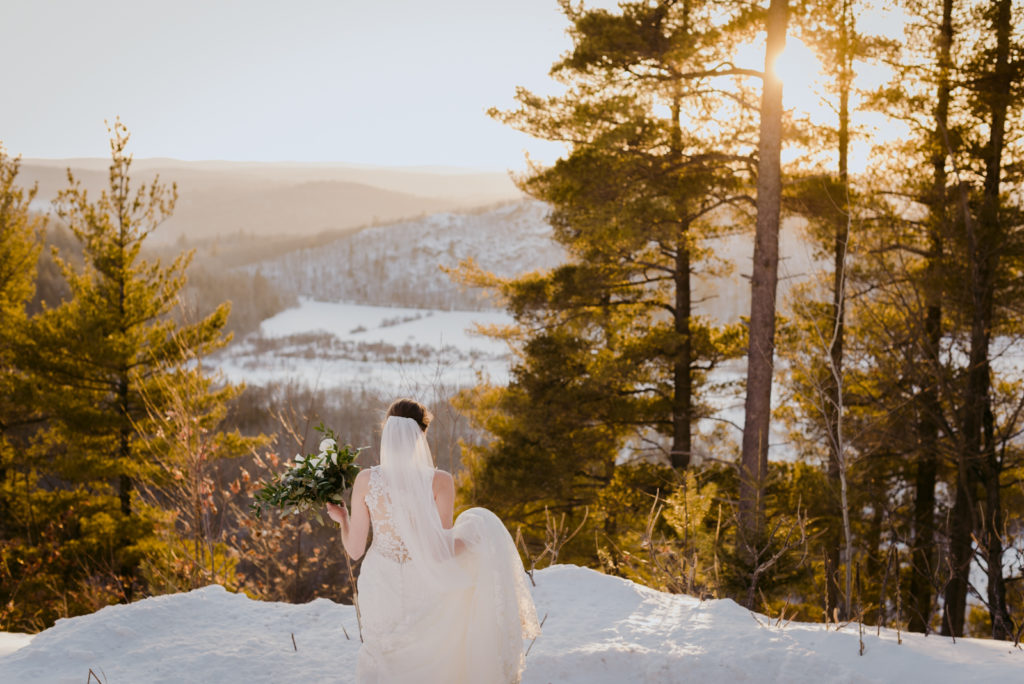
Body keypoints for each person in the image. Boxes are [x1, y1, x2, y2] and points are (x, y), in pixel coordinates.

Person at [326, 398, 540, 684]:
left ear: (387, 432)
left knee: (383, 654)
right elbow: (441, 553)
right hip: (423, 581)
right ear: (421, 435)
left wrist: (343, 521)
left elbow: (354, 551)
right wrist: (477, 537)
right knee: (426, 657)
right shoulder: (441, 481)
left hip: (380, 581)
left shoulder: (366, 480)